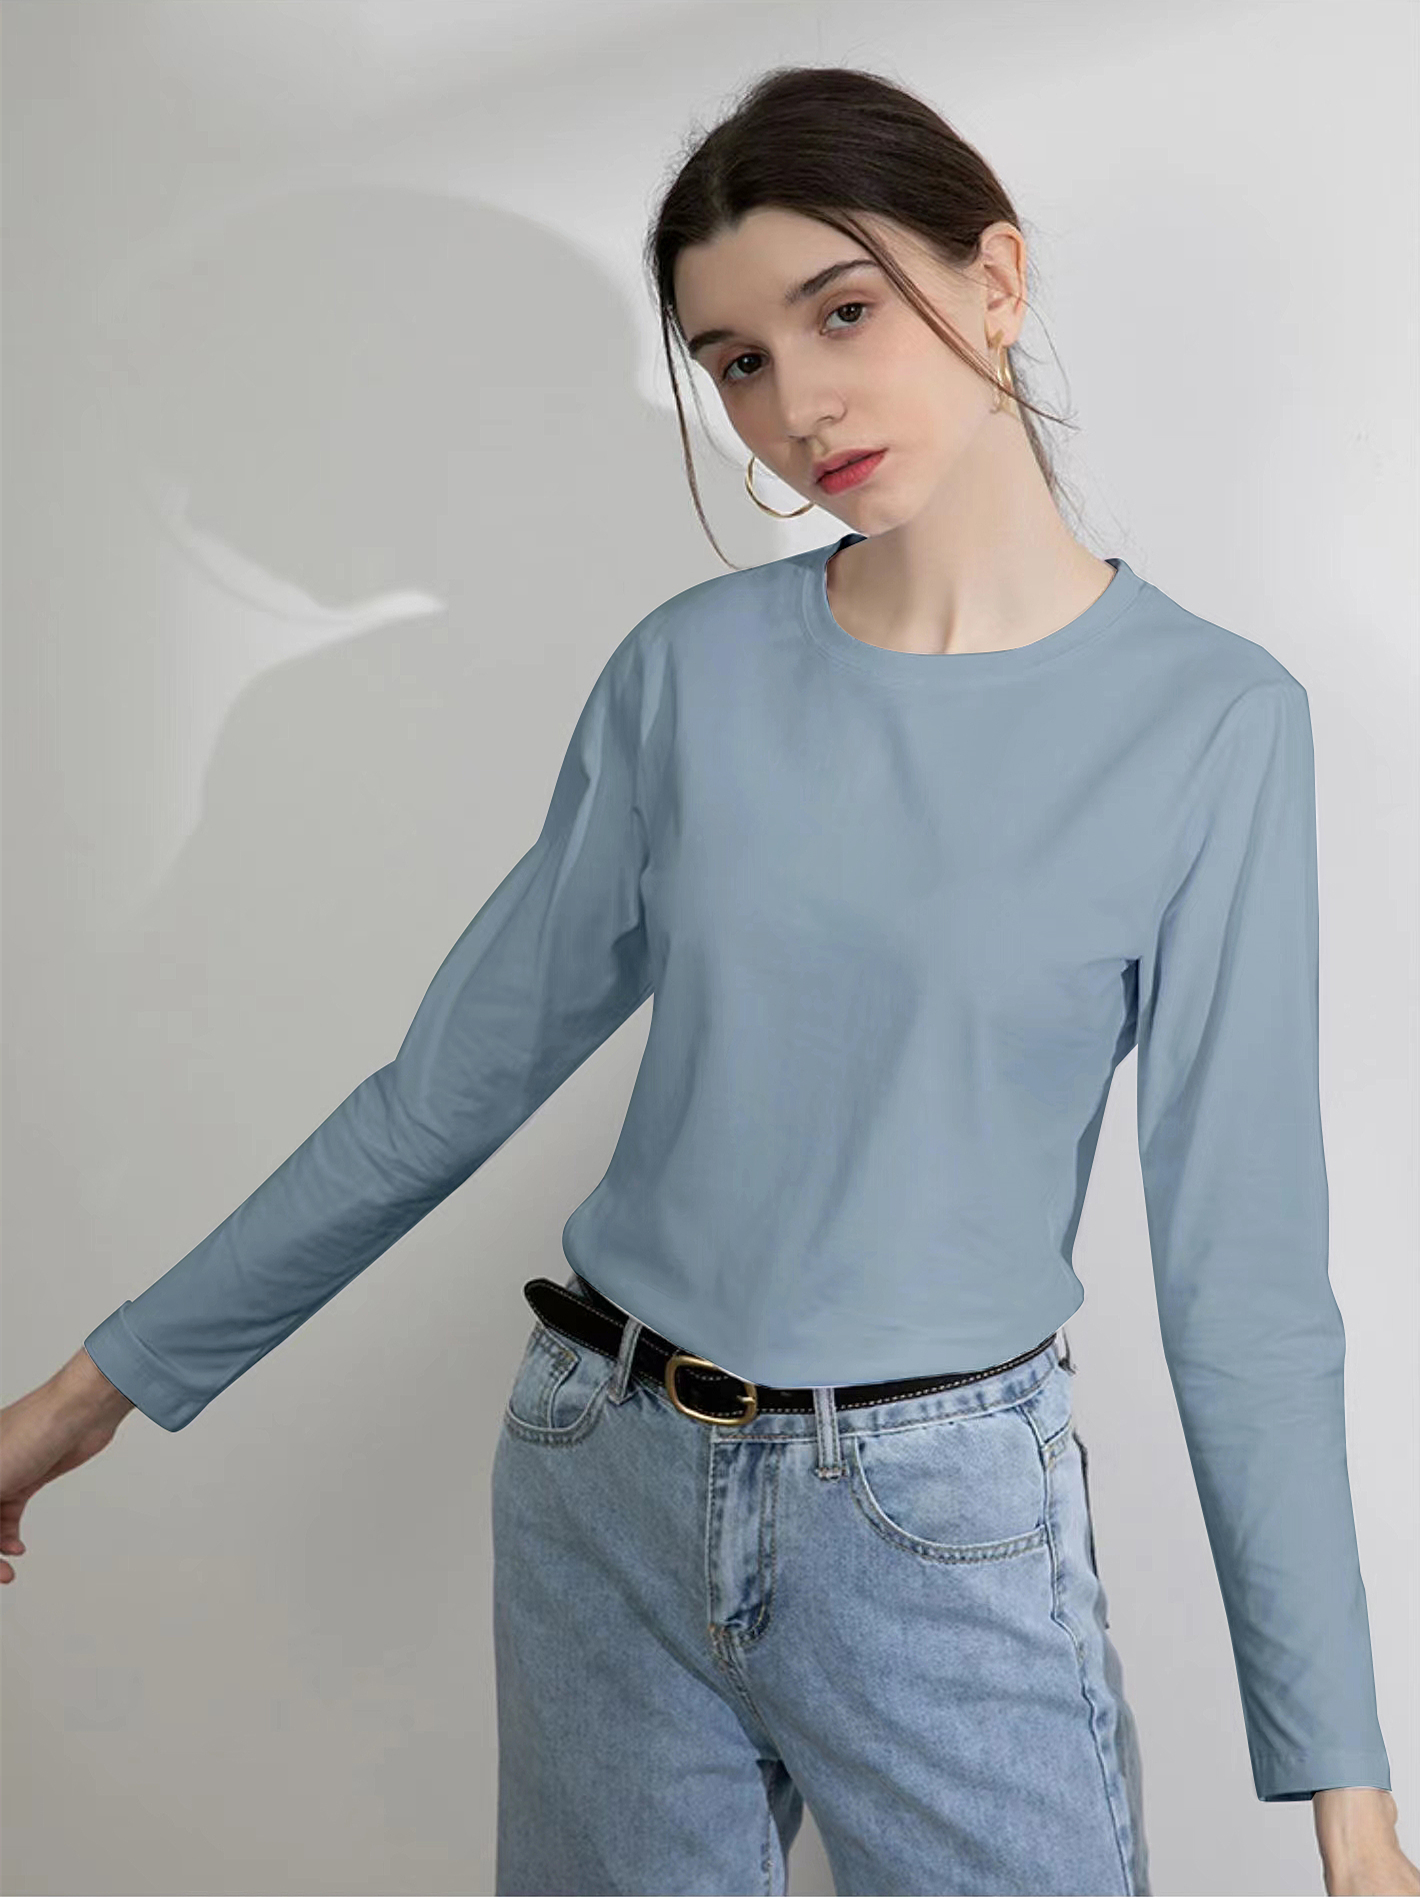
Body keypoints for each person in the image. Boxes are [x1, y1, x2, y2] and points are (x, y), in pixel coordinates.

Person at [2, 62, 1414, 1897]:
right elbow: (440, 1094)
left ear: (995, 278)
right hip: (598, 1474)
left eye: (843, 311)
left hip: (936, 1525)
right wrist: (79, 1402)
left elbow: (1245, 1281)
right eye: (736, 358)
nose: (796, 403)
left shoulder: (1212, 723)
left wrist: (1349, 1803)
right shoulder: (688, 675)